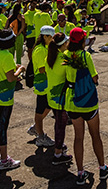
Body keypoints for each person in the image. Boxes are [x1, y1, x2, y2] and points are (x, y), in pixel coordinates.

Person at [64, 27, 108, 185]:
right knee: (95, 135)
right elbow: (95, 77)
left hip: (72, 100)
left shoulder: (65, 55)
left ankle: (80, 172)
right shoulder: (85, 56)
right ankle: (102, 167)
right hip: (88, 101)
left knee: (78, 137)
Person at [0, 29, 25, 171]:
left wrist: (14, 68)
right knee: (2, 127)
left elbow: (4, 69)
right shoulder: (7, 56)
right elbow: (11, 77)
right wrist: (20, 70)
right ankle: (4, 160)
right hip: (4, 98)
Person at [45, 33, 73, 166]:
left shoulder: (49, 57)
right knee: (61, 125)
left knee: (58, 123)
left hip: (51, 97)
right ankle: (58, 153)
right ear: (63, 45)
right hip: (61, 98)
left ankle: (59, 146)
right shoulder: (64, 58)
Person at [29, 25, 56, 147]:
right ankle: (40, 136)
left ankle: (36, 127)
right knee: (40, 111)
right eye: (50, 37)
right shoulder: (40, 50)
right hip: (42, 83)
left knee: (49, 105)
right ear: (44, 36)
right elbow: (41, 69)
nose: (52, 39)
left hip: (47, 83)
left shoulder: (45, 47)